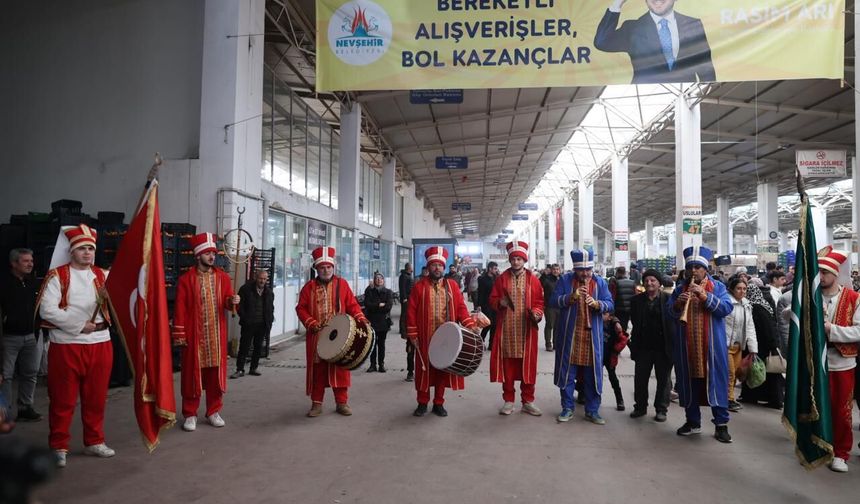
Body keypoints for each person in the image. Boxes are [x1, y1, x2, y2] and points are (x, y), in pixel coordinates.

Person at [37, 225, 115, 467]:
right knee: (63, 399)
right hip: (67, 343)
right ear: (71, 251)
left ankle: (94, 441)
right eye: (82, 248)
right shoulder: (57, 276)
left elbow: (126, 297)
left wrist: (113, 296)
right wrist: (79, 324)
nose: (87, 253)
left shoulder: (104, 275)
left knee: (96, 397)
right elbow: (46, 309)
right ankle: (58, 445)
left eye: (90, 248)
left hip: (101, 342)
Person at [172, 233, 239, 432]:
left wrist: (233, 301)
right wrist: (180, 334)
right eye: (208, 253)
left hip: (216, 338)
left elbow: (227, 303)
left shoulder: (223, 278)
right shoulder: (186, 280)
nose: (212, 257)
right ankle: (190, 413)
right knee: (192, 376)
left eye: (213, 253)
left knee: (214, 377)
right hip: (194, 338)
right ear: (198, 255)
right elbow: (180, 309)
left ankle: (213, 411)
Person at [668, 246, 734, 443]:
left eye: (698, 267)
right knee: (689, 385)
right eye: (691, 267)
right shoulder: (680, 288)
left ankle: (721, 425)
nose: (694, 270)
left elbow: (726, 308)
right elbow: (669, 312)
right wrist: (678, 304)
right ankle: (693, 421)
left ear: (706, 269)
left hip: (711, 349)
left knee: (716, 383)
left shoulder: (718, 287)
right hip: (687, 347)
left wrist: (705, 296)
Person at [296, 247, 369, 418]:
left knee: (340, 370)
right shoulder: (309, 287)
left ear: (333, 268)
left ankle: (342, 402)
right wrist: (311, 323)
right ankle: (316, 404)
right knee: (318, 371)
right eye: (322, 267)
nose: (326, 270)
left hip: (340, 336)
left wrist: (361, 319)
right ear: (316, 269)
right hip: (317, 336)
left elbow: (351, 304)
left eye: (328, 267)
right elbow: (301, 308)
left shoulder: (342, 284)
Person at [406, 246, 477, 417]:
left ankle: (439, 403)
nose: (437, 268)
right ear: (428, 267)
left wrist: (469, 324)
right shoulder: (419, 287)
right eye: (434, 265)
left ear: (444, 268)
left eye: (440, 265)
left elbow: (461, 308)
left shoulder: (452, 286)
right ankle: (422, 402)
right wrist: (413, 335)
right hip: (424, 337)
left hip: (446, 338)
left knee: (442, 371)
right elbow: (411, 311)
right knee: (424, 371)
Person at [550, 249, 614, 425]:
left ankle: (592, 410)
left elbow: (610, 303)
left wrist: (597, 304)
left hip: (592, 338)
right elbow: (553, 301)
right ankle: (567, 408)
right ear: (574, 269)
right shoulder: (565, 280)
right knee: (567, 374)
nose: (585, 273)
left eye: (588, 269)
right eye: (581, 270)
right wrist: (571, 297)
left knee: (592, 375)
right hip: (569, 337)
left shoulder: (600, 282)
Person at [594, 0, 715, 84]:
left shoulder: (693, 24)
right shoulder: (632, 28)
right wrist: (617, 3)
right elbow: (601, 42)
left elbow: (705, 67)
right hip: (645, 97)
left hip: (685, 97)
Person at [815, 247, 860, 473]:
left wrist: (831, 330)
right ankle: (819, 446)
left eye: (824, 272)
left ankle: (841, 453)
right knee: (816, 408)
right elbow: (789, 314)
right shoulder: (810, 296)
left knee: (842, 412)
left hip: (842, 363)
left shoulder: (853, 298)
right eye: (818, 272)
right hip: (815, 363)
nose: (820, 276)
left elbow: (859, 331)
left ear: (835, 273)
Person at [488, 242, 545, 416]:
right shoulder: (502, 278)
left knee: (528, 366)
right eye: (513, 259)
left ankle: (528, 400)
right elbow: (492, 299)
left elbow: (539, 302)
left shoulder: (533, 280)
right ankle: (508, 400)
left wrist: (536, 313)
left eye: (519, 259)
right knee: (508, 368)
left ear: (524, 260)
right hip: (507, 331)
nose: (516, 262)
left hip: (526, 331)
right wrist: (500, 303)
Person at [1, 248, 42, 422]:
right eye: (25, 261)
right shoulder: (3, 283)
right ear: (14, 263)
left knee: (30, 373)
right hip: (8, 337)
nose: (30, 264)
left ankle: (25, 407)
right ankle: (5, 411)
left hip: (30, 336)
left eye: (31, 261)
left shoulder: (33, 283)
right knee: (6, 375)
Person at [629, 268, 674, 422]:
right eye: (647, 280)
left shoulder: (669, 299)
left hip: (663, 347)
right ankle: (640, 407)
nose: (649, 283)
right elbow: (634, 322)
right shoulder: (636, 301)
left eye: (653, 280)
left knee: (664, 380)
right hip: (643, 347)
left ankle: (661, 409)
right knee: (640, 379)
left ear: (659, 283)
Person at [231, 269, 274, 379]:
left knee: (258, 347)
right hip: (248, 324)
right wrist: (245, 318)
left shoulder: (269, 292)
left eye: (264, 279)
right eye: (260, 278)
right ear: (256, 277)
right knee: (244, 347)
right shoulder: (245, 289)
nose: (262, 281)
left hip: (262, 324)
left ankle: (253, 368)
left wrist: (270, 319)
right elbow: (239, 306)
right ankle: (240, 369)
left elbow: (270, 307)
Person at [723, 277, 757, 413]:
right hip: (725, 346)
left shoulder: (746, 305)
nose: (742, 291)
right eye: (739, 288)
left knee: (736, 373)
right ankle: (728, 399)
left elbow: (750, 327)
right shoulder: (726, 303)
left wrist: (753, 348)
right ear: (732, 289)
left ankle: (728, 398)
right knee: (730, 373)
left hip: (739, 347)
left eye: (744, 289)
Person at [364, 272, 394, 372]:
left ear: (383, 280)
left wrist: (377, 307)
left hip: (383, 322)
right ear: (374, 280)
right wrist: (378, 305)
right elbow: (367, 305)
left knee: (381, 344)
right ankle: (373, 365)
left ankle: (381, 364)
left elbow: (388, 307)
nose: (378, 280)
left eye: (380, 278)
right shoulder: (369, 291)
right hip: (372, 321)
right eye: (376, 278)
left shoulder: (388, 292)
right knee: (372, 344)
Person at [602, 311, 629, 411]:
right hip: (598, 357)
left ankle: (620, 400)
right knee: (593, 377)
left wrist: (615, 350)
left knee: (613, 379)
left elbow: (624, 339)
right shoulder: (598, 324)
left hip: (610, 358)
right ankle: (585, 395)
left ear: (610, 317)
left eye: (604, 314)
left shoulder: (614, 327)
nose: (601, 315)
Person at [399, 263, 416, 381]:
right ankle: (410, 371)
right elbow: (404, 318)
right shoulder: (404, 276)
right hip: (411, 333)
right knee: (410, 352)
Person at [477, 262, 500, 345]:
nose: (496, 270)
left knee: (495, 324)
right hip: (486, 304)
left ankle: (491, 343)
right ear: (490, 269)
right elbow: (480, 292)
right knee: (488, 323)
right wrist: (479, 305)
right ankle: (480, 340)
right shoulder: (482, 279)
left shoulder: (496, 278)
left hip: (495, 303)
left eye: (496, 268)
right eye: (495, 268)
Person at [540, 264, 561, 351]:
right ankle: (548, 344)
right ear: (551, 270)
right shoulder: (547, 279)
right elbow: (540, 283)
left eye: (557, 269)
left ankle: (556, 344)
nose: (556, 271)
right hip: (549, 306)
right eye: (554, 269)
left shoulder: (562, 279)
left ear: (560, 270)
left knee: (557, 326)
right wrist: (544, 274)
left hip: (559, 306)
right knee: (550, 325)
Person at [612, 266, 636, 330]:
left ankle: (623, 339)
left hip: (619, 310)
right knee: (625, 325)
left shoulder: (616, 283)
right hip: (629, 310)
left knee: (620, 327)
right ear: (625, 273)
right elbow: (635, 296)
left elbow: (613, 297)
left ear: (618, 273)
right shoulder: (632, 282)